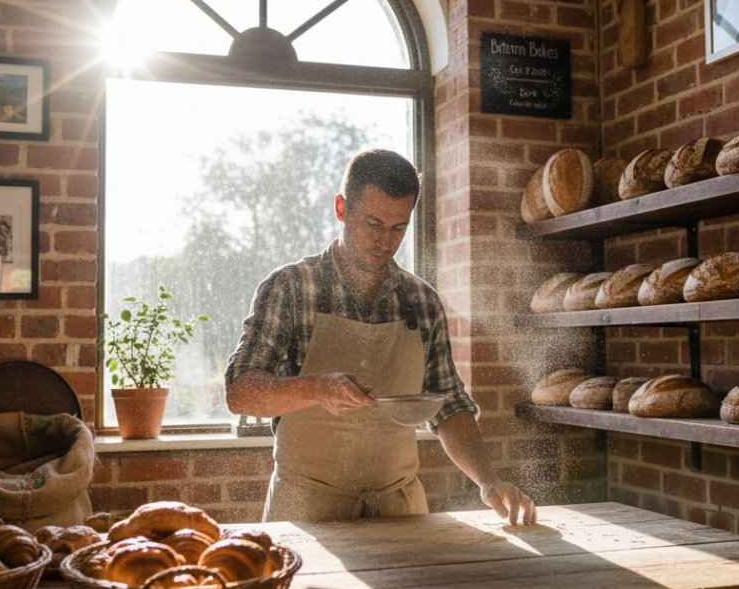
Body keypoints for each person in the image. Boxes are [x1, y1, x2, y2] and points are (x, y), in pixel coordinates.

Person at [225, 148, 537, 525]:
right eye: (372, 223)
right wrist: (316, 389)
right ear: (341, 208)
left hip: (398, 509)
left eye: (398, 228)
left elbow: (449, 405)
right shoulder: (291, 288)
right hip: (306, 510)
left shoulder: (421, 302)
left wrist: (487, 481)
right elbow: (240, 390)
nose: (384, 241)